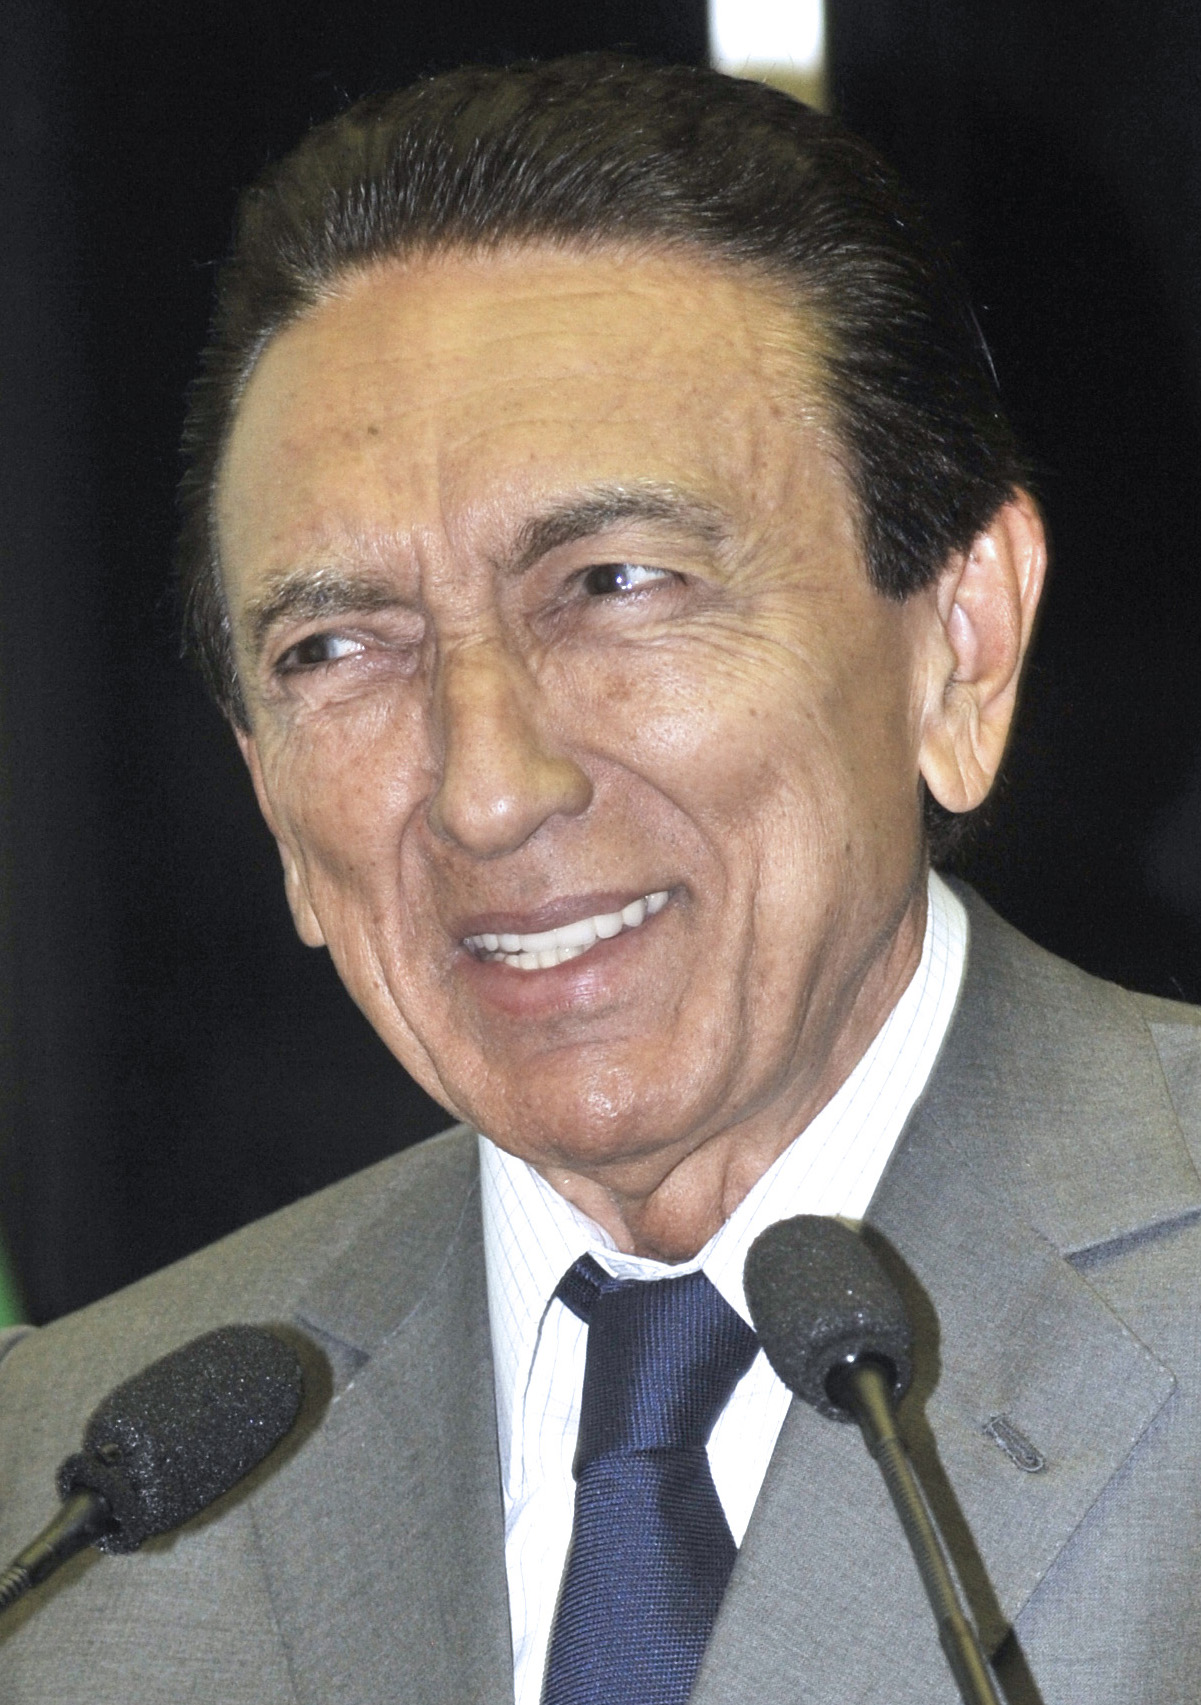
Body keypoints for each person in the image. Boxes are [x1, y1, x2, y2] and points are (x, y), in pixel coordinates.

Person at [1, 55, 1199, 1705]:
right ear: (268, 791)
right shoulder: (65, 1498)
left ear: (960, 644)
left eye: (615, 582)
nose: (488, 789)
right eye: (336, 646)